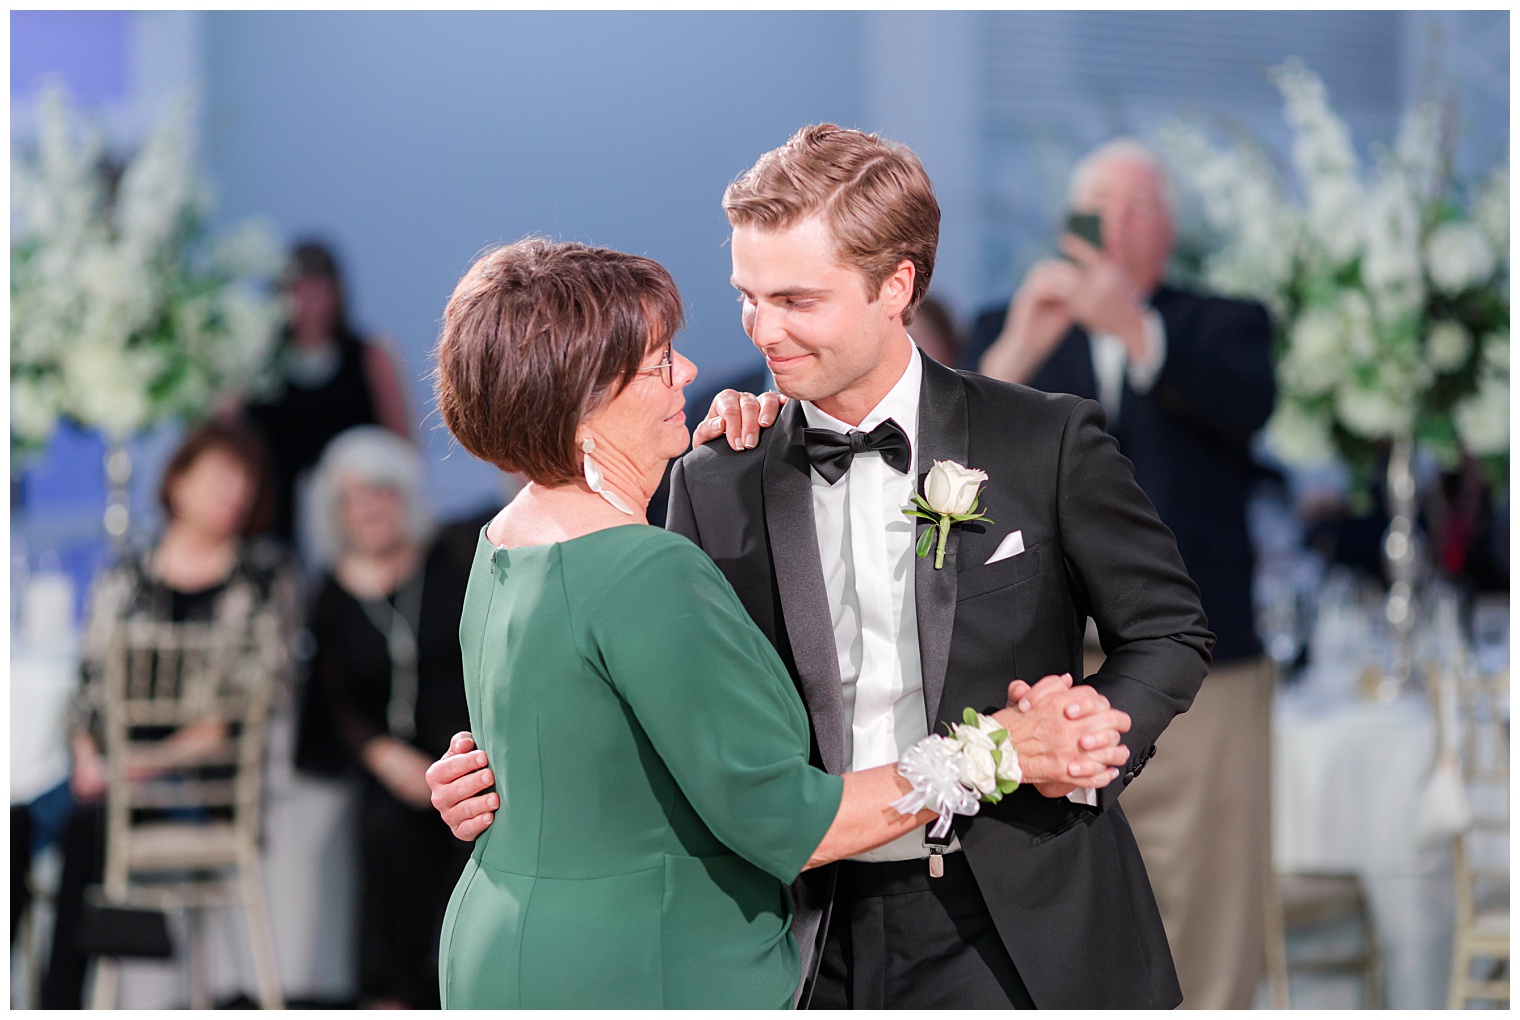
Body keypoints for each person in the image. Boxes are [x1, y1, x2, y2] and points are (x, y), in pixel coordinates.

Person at [430, 126, 1214, 1009]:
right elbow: (668, 701)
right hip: (808, 929)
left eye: (796, 300)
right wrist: (509, 778)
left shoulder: (1045, 440)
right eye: (747, 297)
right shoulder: (714, 471)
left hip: (1025, 912)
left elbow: (1170, 631)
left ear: (896, 287)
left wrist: (1089, 741)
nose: (764, 331)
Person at [970, 138, 1277, 1009]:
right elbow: (949, 456)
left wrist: (1135, 328)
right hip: (1047, 665)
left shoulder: (1224, 323)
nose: (1115, 222)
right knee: (1061, 891)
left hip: (1207, 660)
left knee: (1212, 886)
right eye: (1098, 203)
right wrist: (1025, 344)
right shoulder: (1010, 324)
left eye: (1139, 206)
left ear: (1168, 229)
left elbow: (1246, 406)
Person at [42, 422, 299, 1008]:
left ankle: (58, 1002)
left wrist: (138, 767)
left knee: (86, 827)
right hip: (110, 772)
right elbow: (86, 689)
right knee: (20, 823)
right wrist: (88, 754)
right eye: (218, 476)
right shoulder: (124, 577)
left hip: (203, 782)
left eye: (245, 481)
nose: (233, 492)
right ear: (177, 483)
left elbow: (243, 713)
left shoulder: (260, 582)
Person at [290, 426, 473, 1008]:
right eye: (353, 496)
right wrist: (388, 760)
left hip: (470, 748)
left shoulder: (453, 558)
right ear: (335, 511)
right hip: (390, 763)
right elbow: (334, 700)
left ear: (405, 495)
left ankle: (470, 986)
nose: (370, 507)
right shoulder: (330, 594)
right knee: (386, 830)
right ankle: (394, 992)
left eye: (382, 491)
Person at [241, 240, 413, 546]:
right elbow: (234, 439)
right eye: (298, 292)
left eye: (319, 291)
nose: (309, 304)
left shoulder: (370, 357)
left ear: (337, 294)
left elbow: (401, 447)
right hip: (276, 520)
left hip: (356, 519)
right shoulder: (257, 364)